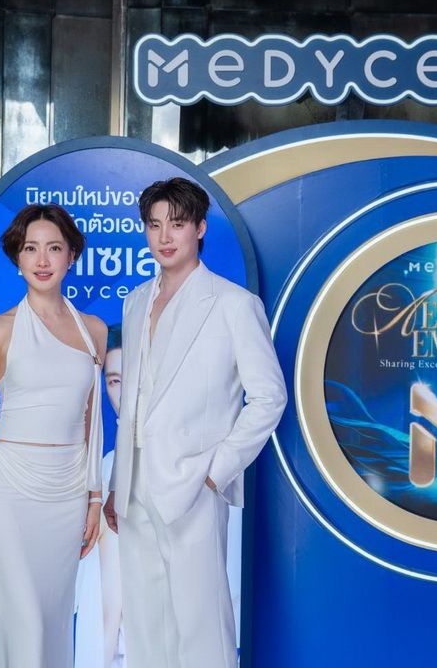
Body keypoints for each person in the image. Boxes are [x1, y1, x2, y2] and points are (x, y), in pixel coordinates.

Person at [103, 177, 287, 668]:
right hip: (135, 486)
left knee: (202, 623)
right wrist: (119, 481)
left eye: (178, 224)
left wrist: (216, 470)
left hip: (194, 484)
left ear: (200, 228)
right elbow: (135, 400)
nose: (164, 236)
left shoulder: (233, 303)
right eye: (154, 225)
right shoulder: (135, 301)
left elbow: (269, 396)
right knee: (146, 623)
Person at [0, 203, 107, 667]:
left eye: (54, 248)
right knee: (21, 624)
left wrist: (94, 498)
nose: (42, 259)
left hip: (67, 493)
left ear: (71, 256)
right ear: (17, 258)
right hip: (9, 492)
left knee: (52, 623)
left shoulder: (95, 332)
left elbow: (90, 421)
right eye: (30, 248)